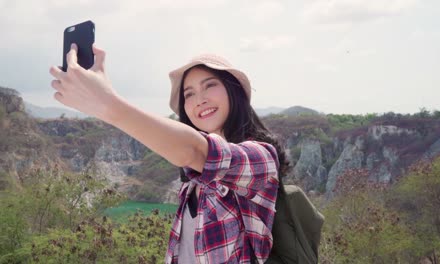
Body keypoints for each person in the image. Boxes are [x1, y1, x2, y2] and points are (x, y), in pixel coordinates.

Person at [49, 44, 289, 263]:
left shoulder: (261, 158)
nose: (200, 99)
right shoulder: (192, 185)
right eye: (189, 94)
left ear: (234, 91)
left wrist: (107, 104)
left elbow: (195, 150)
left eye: (210, 85)